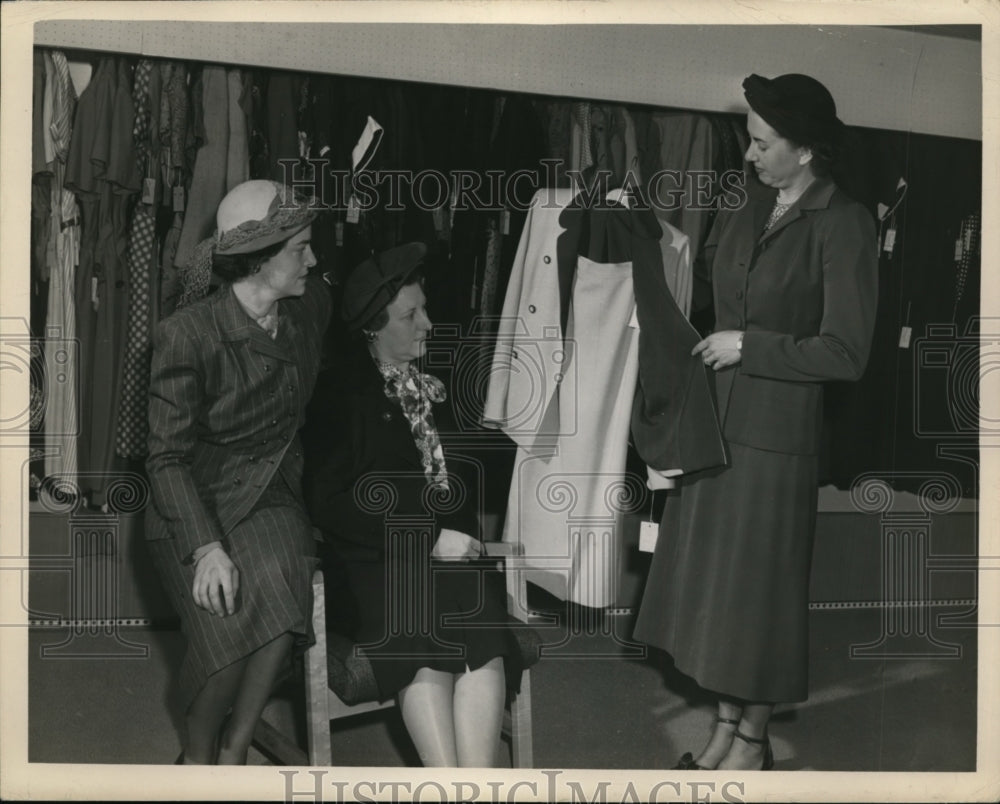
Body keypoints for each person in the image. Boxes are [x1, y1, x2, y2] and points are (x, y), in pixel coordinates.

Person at [633, 73, 878, 770]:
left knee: (760, 599)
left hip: (775, 440)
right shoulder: (749, 202)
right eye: (750, 140)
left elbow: (847, 353)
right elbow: (714, 290)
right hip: (715, 425)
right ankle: (724, 727)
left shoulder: (845, 223)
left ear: (807, 151)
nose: (749, 154)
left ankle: (751, 740)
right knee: (719, 595)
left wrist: (751, 344)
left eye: (763, 144)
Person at [302, 242, 524, 768]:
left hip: (451, 556)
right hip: (377, 563)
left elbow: (461, 482)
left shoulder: (435, 388)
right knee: (418, 629)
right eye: (411, 315)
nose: (428, 323)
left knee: (481, 627)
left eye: (424, 309)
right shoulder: (338, 394)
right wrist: (426, 538)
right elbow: (328, 504)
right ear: (373, 328)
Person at [145, 180, 331, 764]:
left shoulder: (309, 308)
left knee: (285, 575)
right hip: (192, 502)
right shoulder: (187, 334)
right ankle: (200, 758)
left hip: (270, 491)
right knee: (226, 621)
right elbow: (165, 458)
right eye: (300, 248)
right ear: (257, 259)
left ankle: (236, 747)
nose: (314, 260)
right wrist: (206, 548)